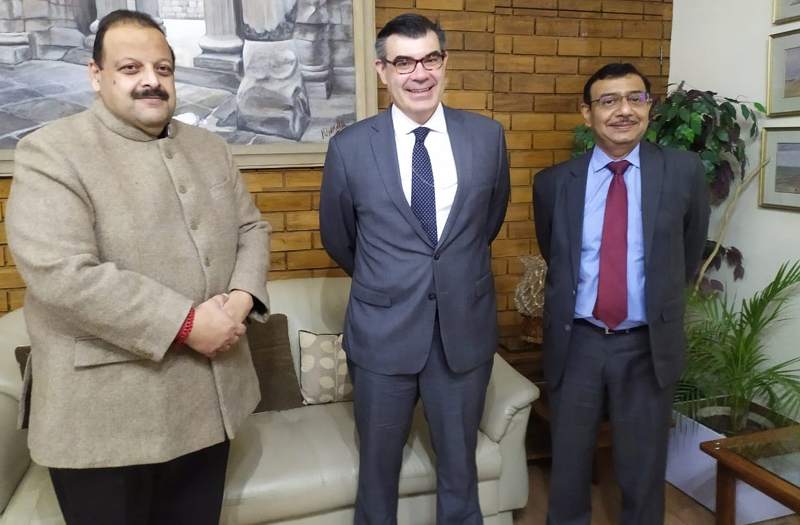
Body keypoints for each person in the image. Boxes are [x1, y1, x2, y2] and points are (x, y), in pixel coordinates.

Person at [6, 10, 270, 525]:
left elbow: (251, 229)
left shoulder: (211, 148)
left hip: (209, 405)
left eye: (163, 68)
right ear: (96, 74)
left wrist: (238, 303)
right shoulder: (50, 152)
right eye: (131, 68)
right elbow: (62, 272)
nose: (152, 80)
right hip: (104, 421)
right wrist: (188, 324)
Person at [319, 13, 510, 525]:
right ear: (382, 70)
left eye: (430, 59)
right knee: (378, 474)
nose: (419, 73)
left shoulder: (487, 137)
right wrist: (389, 279)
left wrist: (448, 276)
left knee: (460, 470)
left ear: (445, 63)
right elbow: (339, 238)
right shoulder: (349, 147)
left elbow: (486, 224)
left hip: (462, 334)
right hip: (382, 337)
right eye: (404, 62)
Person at [532, 62, 710, 525]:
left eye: (635, 98)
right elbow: (556, 255)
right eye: (608, 101)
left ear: (650, 107)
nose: (623, 110)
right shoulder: (554, 183)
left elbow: (688, 250)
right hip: (578, 342)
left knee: (643, 464)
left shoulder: (683, 171)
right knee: (569, 461)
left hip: (647, 343)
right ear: (587, 113)